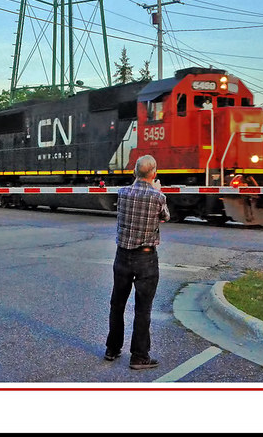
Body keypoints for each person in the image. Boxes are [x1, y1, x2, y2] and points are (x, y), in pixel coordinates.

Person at [104, 154, 169, 370]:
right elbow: (165, 217)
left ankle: (112, 349)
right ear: (154, 173)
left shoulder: (123, 194)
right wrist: (157, 190)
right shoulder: (158, 196)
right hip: (146, 258)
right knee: (143, 308)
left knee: (117, 304)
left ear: (134, 172)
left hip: (122, 256)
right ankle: (139, 356)